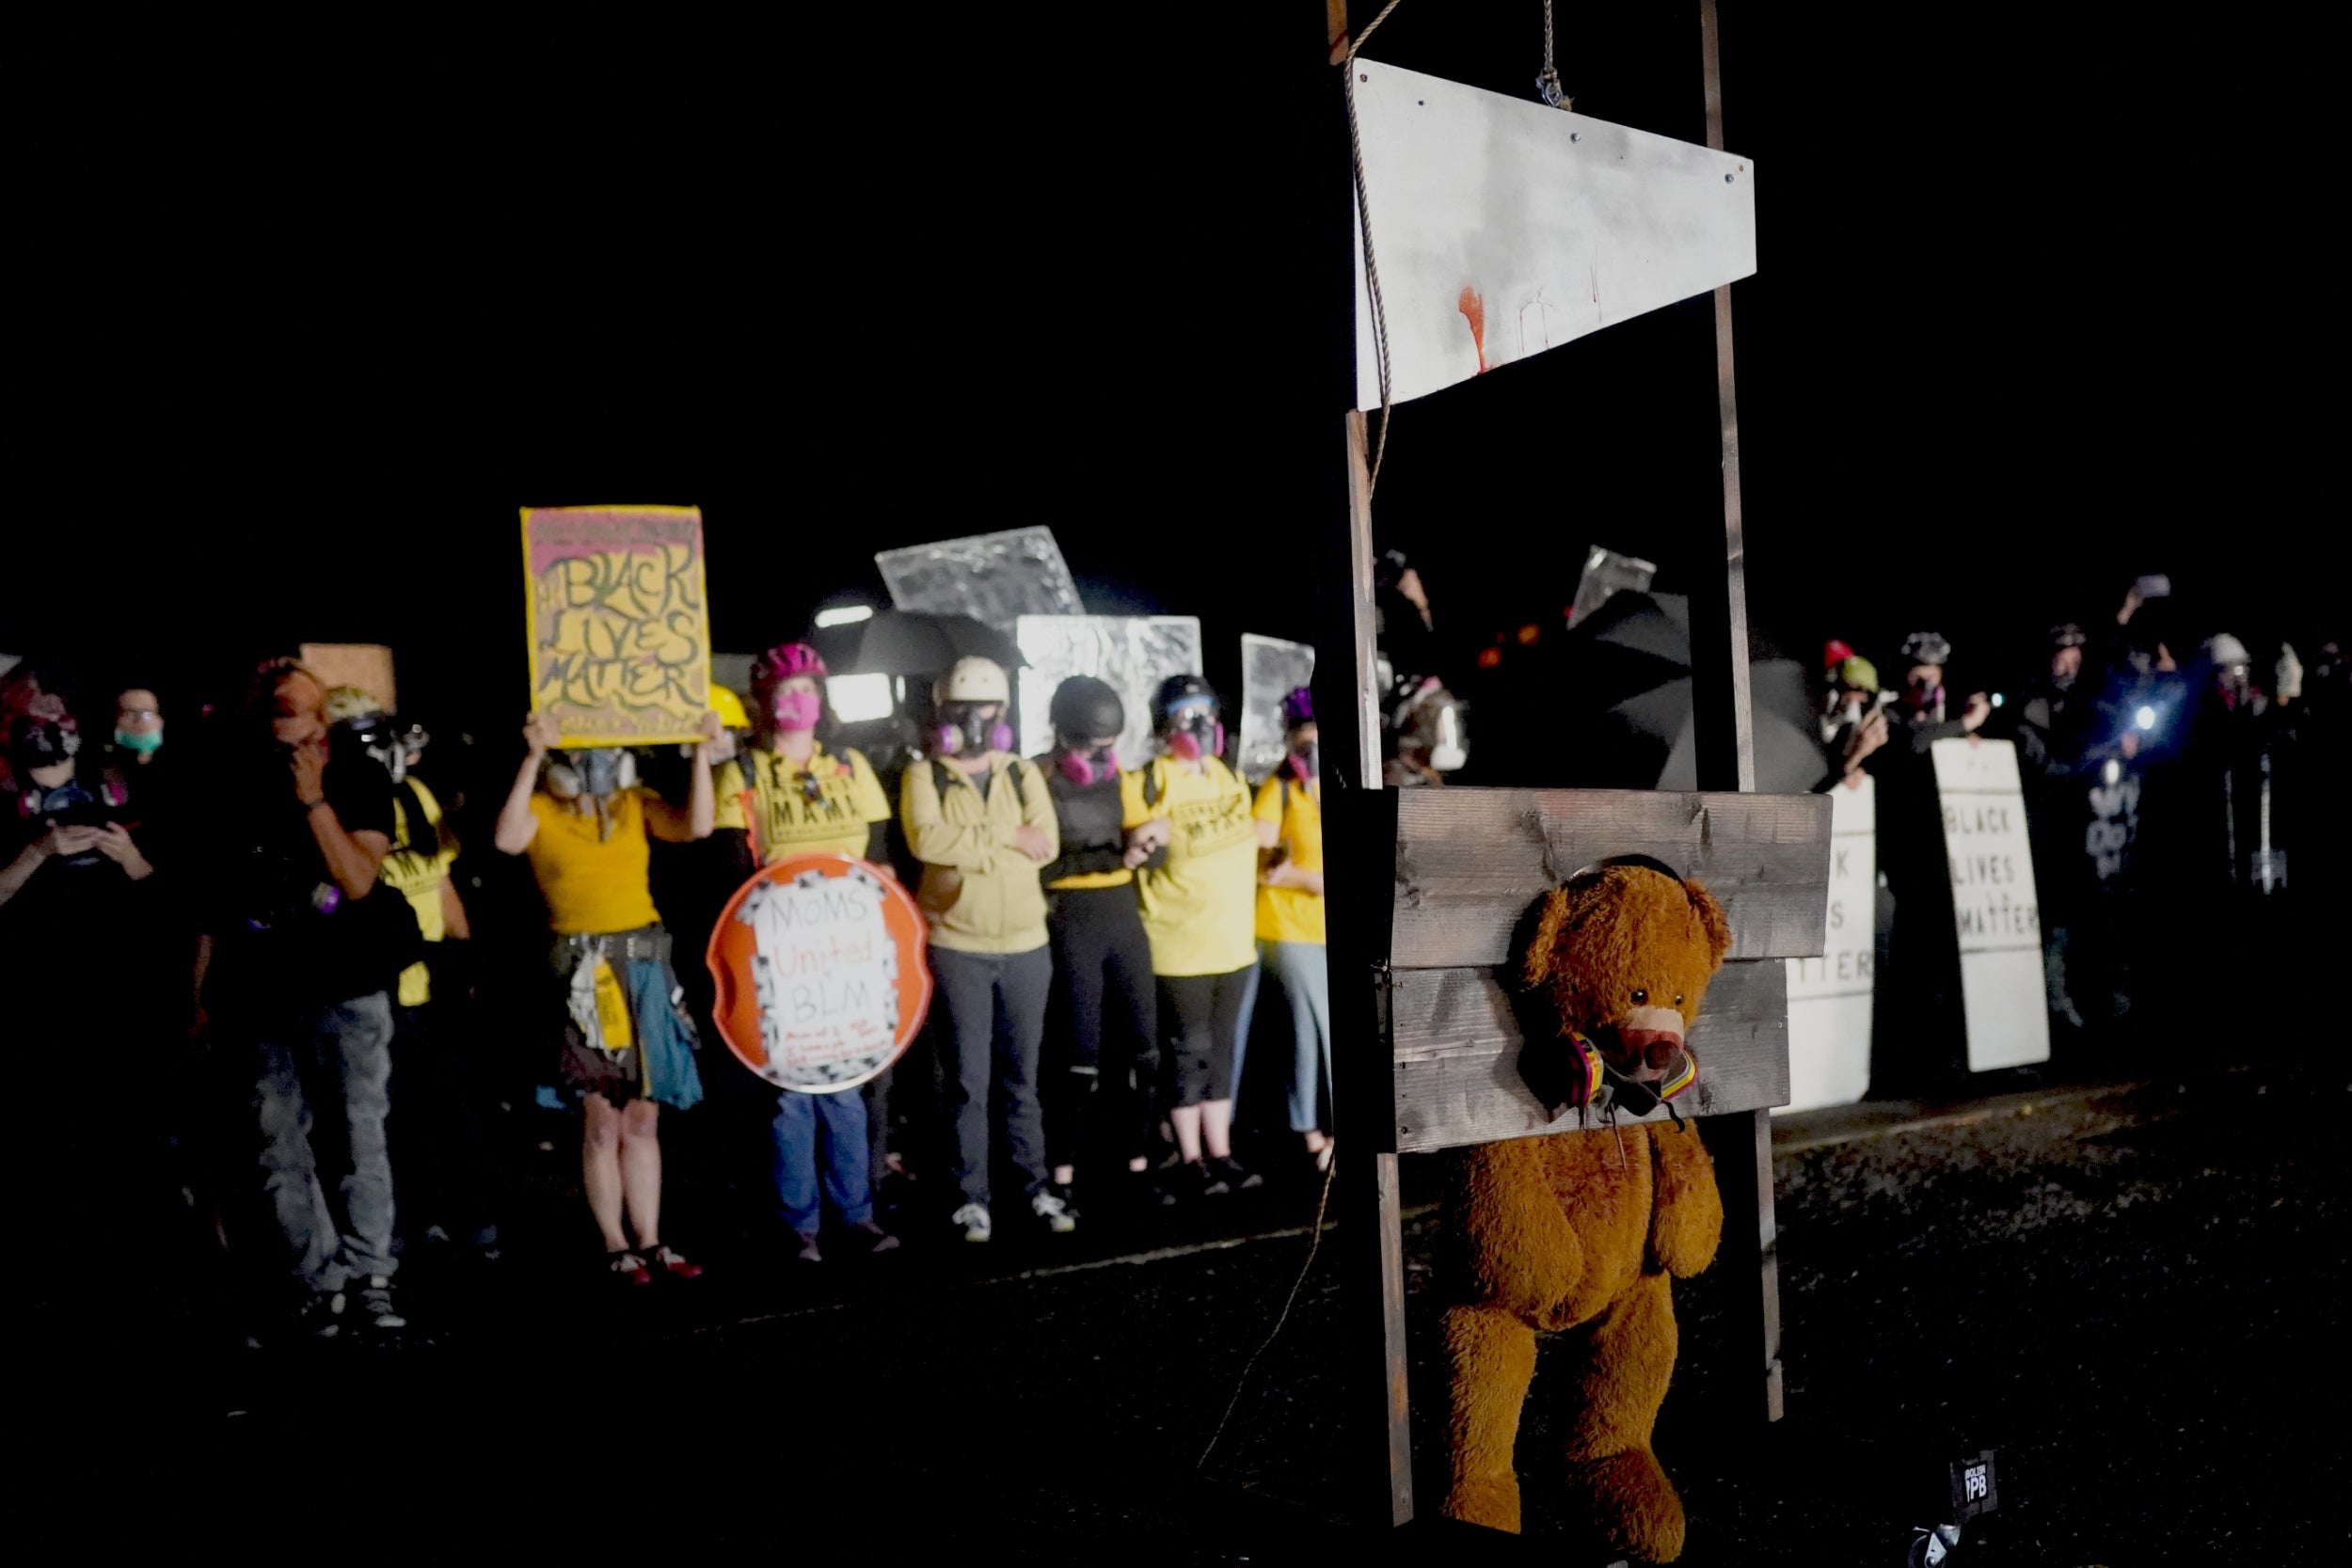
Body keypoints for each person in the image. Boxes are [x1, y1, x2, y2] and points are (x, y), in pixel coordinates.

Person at [190, 657, 420, 1338]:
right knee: (275, 1139)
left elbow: (356, 879)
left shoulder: (357, 776)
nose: (303, 722)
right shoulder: (232, 785)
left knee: (357, 1133)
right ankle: (318, 1280)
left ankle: (371, 1272)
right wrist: (197, 997)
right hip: (259, 986)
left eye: (310, 709)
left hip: (346, 981)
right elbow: (212, 906)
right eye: (284, 709)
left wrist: (315, 800)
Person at [493, 709, 719, 1286]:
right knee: (599, 1117)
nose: (592, 765)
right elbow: (506, 838)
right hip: (581, 972)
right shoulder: (540, 809)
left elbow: (695, 826)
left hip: (644, 961)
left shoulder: (633, 802)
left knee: (644, 1115)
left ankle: (651, 1239)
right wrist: (533, 756)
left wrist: (698, 755)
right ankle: (614, 1242)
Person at [731, 641, 898, 1262]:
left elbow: (880, 857)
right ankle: (798, 1222)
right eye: (786, 690)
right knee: (791, 1095)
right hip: (782, 956)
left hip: (848, 951)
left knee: (847, 1088)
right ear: (763, 701)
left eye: (809, 689)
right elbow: (731, 875)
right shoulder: (742, 774)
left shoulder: (850, 767)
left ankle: (855, 1213)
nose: (799, 701)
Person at [323, 688, 498, 1260]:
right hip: (379, 979)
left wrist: (464, 949)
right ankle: (410, 1221)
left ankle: (470, 1216)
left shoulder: (415, 794)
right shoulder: (339, 805)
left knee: (454, 1105)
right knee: (392, 1116)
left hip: (435, 976)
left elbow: (439, 877)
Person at [899, 657, 1059, 1243]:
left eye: (984, 708)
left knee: (1022, 1079)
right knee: (967, 1081)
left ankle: (1034, 1187)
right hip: (957, 947)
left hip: (1026, 947)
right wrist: (1005, 839)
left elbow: (1047, 845)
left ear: (1002, 713)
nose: (973, 719)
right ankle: (971, 1197)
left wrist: (974, 846)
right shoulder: (926, 775)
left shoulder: (1021, 773)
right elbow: (927, 840)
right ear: (942, 712)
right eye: (960, 710)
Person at [1125, 673, 1263, 1196]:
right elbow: (1133, 844)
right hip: (1180, 943)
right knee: (1187, 1051)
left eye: (1206, 711)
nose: (1201, 724)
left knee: (1221, 1051)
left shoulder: (1225, 774)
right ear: (1165, 724)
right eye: (1187, 714)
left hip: (1233, 940)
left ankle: (1220, 1151)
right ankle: (1189, 1159)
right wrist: (1143, 837)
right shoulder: (1151, 779)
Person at [1037, 675, 1161, 1226]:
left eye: (1106, 746)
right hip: (1071, 920)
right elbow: (1045, 864)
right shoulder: (1037, 777)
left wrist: (1150, 844)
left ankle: (1136, 1168)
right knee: (1078, 1058)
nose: (1098, 756)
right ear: (1062, 736)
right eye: (1088, 745)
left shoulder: (1122, 779)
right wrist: (1119, 860)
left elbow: (1143, 849)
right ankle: (1063, 1177)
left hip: (1120, 917)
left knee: (1142, 1051)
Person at [1252, 689, 1333, 1171]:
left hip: (1329, 927)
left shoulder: (1337, 784)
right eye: (1304, 744)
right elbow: (1265, 864)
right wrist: (1312, 879)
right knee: (1310, 1028)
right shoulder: (1278, 787)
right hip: (1288, 925)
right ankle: (1309, 1133)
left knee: (1335, 1028)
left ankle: (1329, 1126)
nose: (1312, 752)